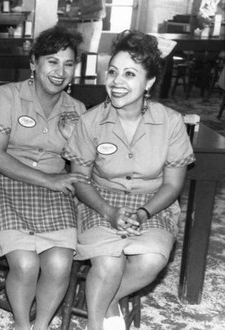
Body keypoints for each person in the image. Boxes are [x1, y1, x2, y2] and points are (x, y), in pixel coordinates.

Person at [62, 30, 195, 330]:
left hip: (152, 204)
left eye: (130, 74)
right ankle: (96, 323)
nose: (117, 81)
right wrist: (109, 212)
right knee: (108, 263)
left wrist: (143, 212)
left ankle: (105, 299)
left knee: (150, 260)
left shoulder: (171, 123)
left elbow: (173, 184)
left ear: (148, 82)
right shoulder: (90, 121)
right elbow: (80, 179)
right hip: (99, 201)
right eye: (113, 72)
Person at [0, 25, 90, 330]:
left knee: (58, 264)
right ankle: (21, 324)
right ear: (34, 62)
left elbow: (86, 167)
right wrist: (50, 179)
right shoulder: (8, 96)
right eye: (52, 61)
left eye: (68, 64)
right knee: (26, 264)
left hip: (53, 194)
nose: (60, 71)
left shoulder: (77, 110)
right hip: (5, 185)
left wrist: (72, 141)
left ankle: (39, 326)